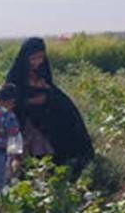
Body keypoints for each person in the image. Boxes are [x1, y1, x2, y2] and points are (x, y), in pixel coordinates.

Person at [6, 37, 95, 176]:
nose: (37, 62)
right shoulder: (15, 75)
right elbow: (11, 100)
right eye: (33, 58)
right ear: (25, 57)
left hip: (46, 111)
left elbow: (49, 88)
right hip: (25, 115)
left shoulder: (42, 69)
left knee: (66, 115)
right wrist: (31, 101)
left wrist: (47, 96)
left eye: (40, 58)